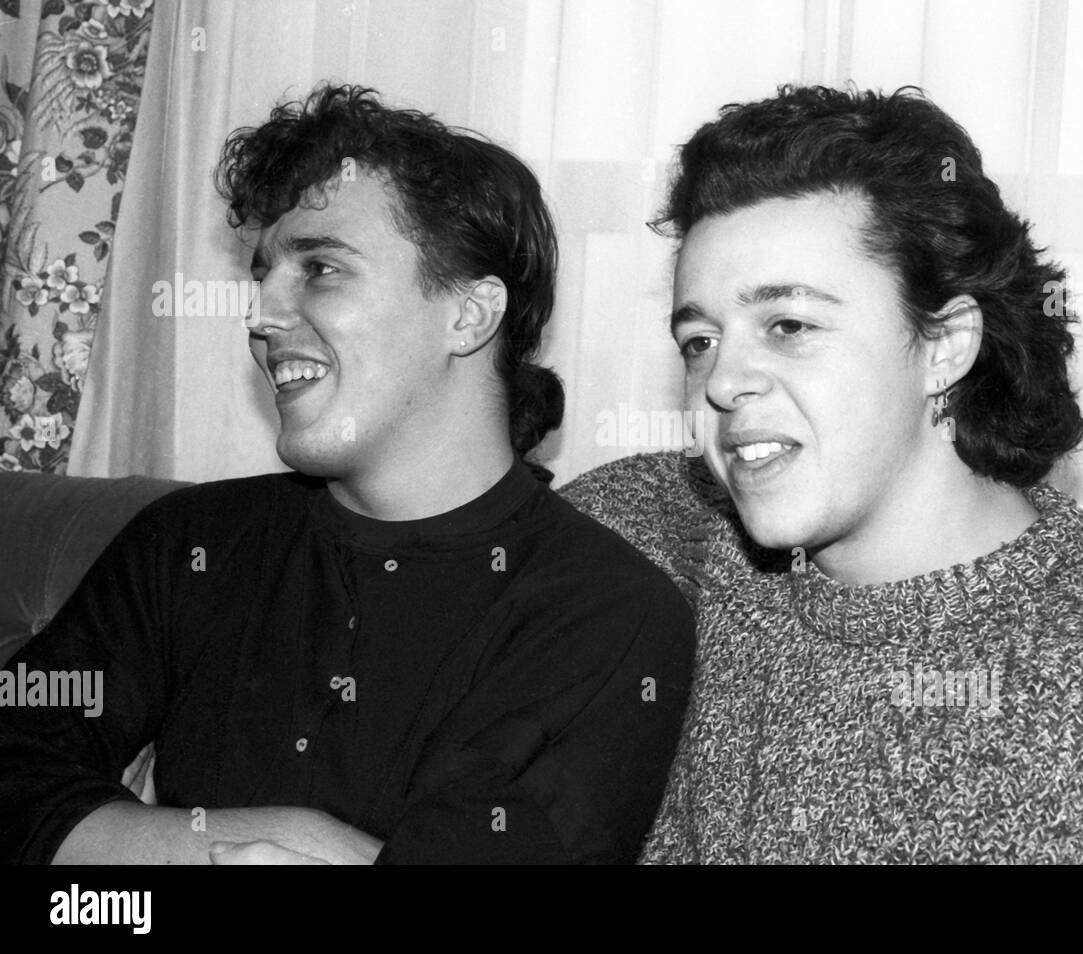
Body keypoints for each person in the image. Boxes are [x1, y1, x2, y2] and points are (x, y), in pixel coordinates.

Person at [559, 85, 1083, 863]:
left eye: (788, 326)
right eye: (700, 340)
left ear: (945, 345)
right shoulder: (669, 529)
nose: (723, 382)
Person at [0, 84, 694, 865]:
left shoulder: (604, 612)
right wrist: (291, 840)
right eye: (261, 276)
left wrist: (108, 837)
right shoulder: (190, 544)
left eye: (320, 268)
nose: (261, 316)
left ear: (468, 314)